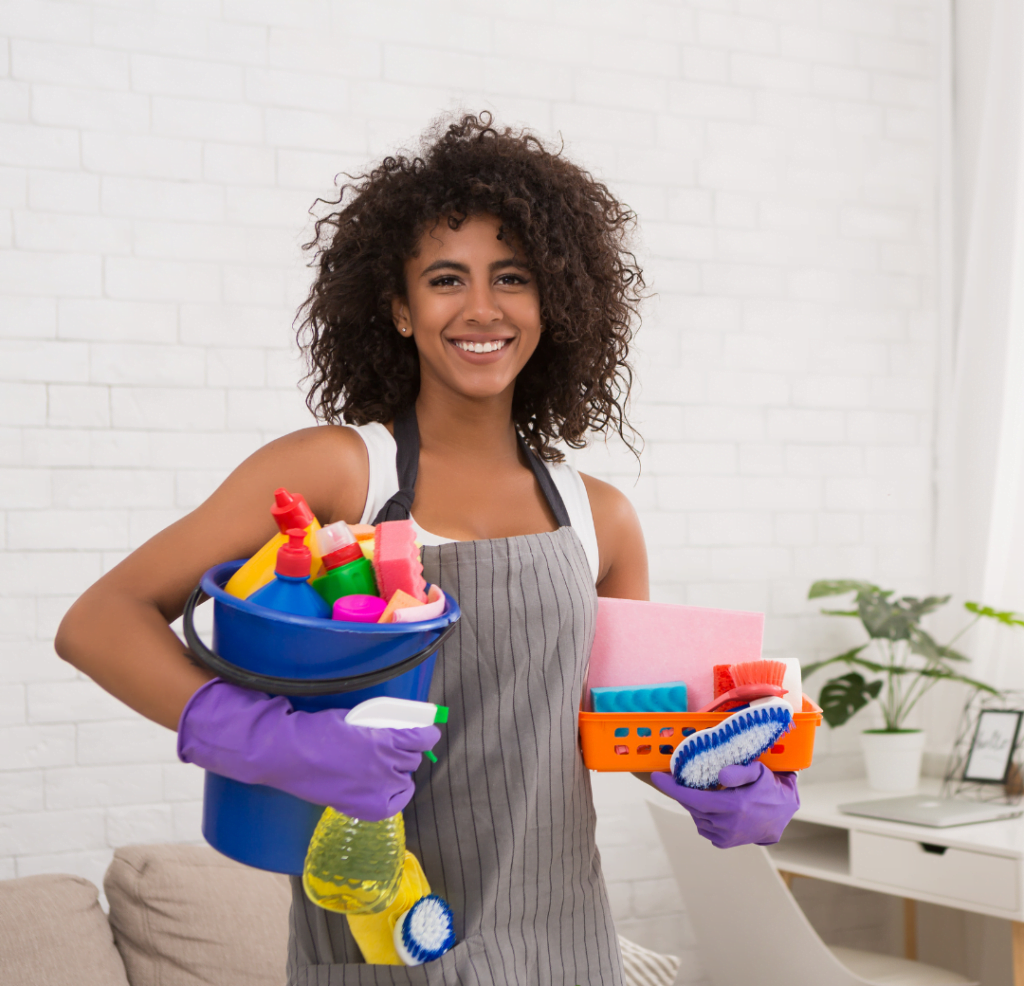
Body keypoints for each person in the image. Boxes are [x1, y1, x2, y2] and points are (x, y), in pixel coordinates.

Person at [56, 113, 798, 985]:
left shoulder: (603, 518)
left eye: (511, 278)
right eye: (447, 280)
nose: (481, 309)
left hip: (563, 940)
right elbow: (98, 622)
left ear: (552, 302)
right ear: (401, 310)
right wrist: (263, 740)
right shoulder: (340, 474)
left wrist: (714, 777)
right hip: (384, 944)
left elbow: (616, 727)